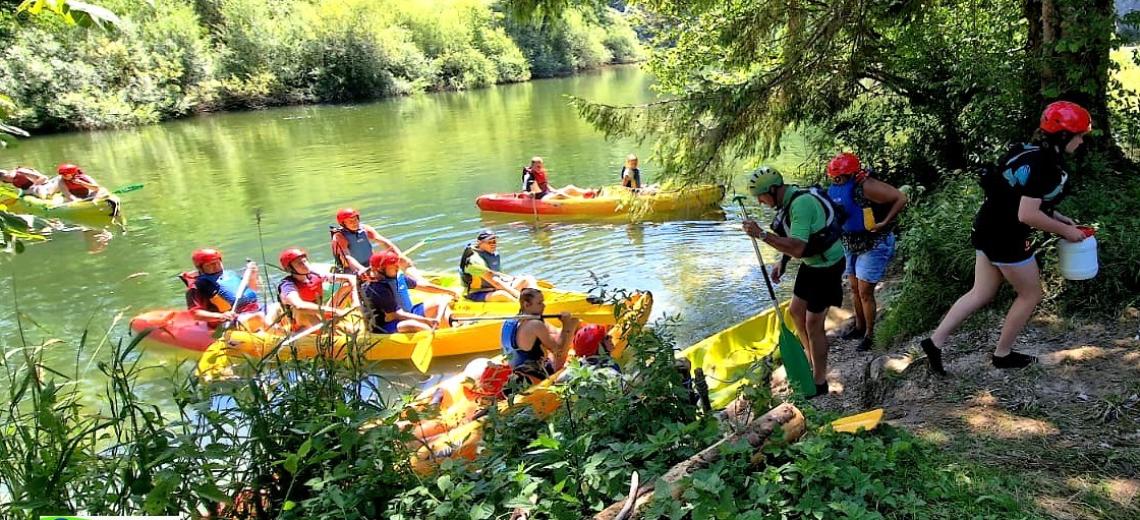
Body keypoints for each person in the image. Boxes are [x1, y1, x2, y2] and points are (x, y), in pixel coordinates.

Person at [919, 101, 1091, 374]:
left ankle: (935, 341)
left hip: (986, 227)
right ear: (1063, 136)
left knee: (981, 292)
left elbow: (1019, 197)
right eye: (1079, 135)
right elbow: (1027, 214)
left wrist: (1058, 217)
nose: (1082, 141)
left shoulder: (1028, 152)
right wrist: (1067, 232)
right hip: (1007, 237)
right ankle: (1002, 354)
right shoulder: (1046, 166)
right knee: (1031, 294)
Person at [742, 166, 846, 398]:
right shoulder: (789, 200)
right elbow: (798, 238)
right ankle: (810, 360)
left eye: (761, 196)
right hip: (812, 264)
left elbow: (798, 246)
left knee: (813, 325)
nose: (760, 202)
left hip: (827, 266)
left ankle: (819, 382)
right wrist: (782, 261)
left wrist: (761, 234)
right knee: (795, 311)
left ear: (772, 190)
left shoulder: (801, 204)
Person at [825, 152, 908, 352]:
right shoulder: (835, 188)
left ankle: (870, 334)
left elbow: (901, 198)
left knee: (865, 291)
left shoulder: (867, 186)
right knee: (853, 287)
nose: (838, 180)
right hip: (850, 242)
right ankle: (859, 326)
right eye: (835, 177)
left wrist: (885, 222)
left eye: (841, 176)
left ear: (851, 173)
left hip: (874, 243)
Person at [361, 250, 458, 334]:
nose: (397, 267)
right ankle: (436, 338)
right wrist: (426, 320)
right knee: (415, 324)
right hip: (386, 325)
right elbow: (394, 315)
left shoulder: (397, 278)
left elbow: (423, 286)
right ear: (380, 270)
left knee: (440, 301)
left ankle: (451, 329)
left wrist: (448, 291)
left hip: (407, 313)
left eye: (396, 264)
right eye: (393, 266)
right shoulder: (376, 288)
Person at [500, 288, 580, 383]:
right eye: (539, 303)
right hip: (535, 375)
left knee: (557, 336)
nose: (544, 306)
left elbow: (552, 332)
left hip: (517, 370)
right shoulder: (535, 324)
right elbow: (558, 352)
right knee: (573, 323)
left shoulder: (508, 322)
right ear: (526, 305)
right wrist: (566, 325)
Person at [182, 248, 268, 330]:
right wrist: (221, 316)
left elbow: (251, 292)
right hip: (227, 322)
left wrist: (253, 276)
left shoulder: (230, 274)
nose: (216, 266)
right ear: (200, 268)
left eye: (217, 262)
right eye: (210, 265)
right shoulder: (197, 286)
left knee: (277, 308)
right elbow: (195, 314)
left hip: (254, 311)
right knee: (258, 318)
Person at [276, 247, 356, 331]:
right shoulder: (287, 285)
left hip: (321, 312)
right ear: (290, 269)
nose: (305, 265)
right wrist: (334, 311)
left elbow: (350, 278)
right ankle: (325, 331)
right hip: (300, 321)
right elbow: (299, 305)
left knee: (347, 286)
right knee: (301, 310)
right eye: (299, 263)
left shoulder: (314, 275)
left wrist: (355, 300)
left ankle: (330, 323)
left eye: (305, 261)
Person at [458, 229, 539, 302]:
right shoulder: (474, 261)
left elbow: (498, 276)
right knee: (503, 294)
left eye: (494, 242)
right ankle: (527, 308)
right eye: (489, 242)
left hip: (494, 287)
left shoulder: (492, 254)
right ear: (479, 243)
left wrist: (511, 280)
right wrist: (517, 295)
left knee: (528, 279)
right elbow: (496, 282)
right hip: (477, 293)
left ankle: (538, 300)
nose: (493, 244)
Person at [330, 207, 408, 276]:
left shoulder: (365, 229)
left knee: (399, 262)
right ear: (343, 224)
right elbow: (347, 257)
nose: (355, 223)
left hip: (370, 264)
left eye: (356, 219)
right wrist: (362, 269)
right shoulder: (339, 237)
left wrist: (399, 255)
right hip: (351, 269)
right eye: (350, 221)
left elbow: (384, 242)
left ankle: (412, 278)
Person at [521, 156, 592, 200]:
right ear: (532, 166)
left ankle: (589, 193)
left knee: (570, 187)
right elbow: (524, 192)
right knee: (559, 195)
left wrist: (555, 191)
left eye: (541, 166)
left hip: (547, 194)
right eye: (538, 166)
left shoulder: (540, 172)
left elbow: (546, 185)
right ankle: (578, 201)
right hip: (540, 198)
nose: (540, 168)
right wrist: (530, 194)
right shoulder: (529, 176)